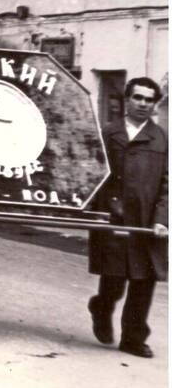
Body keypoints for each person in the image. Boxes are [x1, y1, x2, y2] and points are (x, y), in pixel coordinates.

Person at [88, 76, 168, 359]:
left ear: (154, 105)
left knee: (144, 280)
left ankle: (134, 338)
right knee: (114, 277)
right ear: (127, 100)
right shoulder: (108, 134)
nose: (143, 104)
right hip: (114, 218)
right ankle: (102, 307)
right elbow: (94, 175)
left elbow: (170, 184)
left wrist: (163, 218)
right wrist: (98, 210)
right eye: (138, 97)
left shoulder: (163, 139)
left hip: (147, 222)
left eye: (149, 100)